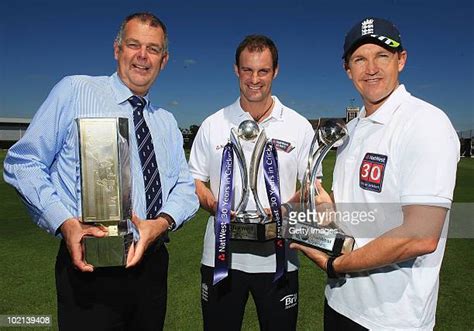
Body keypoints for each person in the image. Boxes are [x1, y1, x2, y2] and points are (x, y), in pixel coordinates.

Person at [3, 12, 199, 330]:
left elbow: (184, 187)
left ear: (164, 60)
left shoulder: (165, 122)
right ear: (116, 49)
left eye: (153, 49)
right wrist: (64, 223)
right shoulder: (74, 91)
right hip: (89, 263)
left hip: (152, 265)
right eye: (133, 44)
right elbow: (24, 163)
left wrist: (161, 224)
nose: (142, 56)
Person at [290, 17, 460, 330]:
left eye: (382, 56)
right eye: (360, 59)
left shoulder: (426, 124)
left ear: (401, 60)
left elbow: (420, 236)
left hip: (393, 319)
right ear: (347, 69)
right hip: (340, 304)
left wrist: (336, 265)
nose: (371, 69)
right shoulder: (350, 131)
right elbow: (357, 210)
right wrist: (325, 208)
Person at [188, 35, 317, 330]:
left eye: (263, 71)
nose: (254, 79)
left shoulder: (298, 126)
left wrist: (285, 209)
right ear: (236, 70)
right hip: (220, 259)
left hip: (279, 260)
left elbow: (312, 186)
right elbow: (194, 180)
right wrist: (216, 207)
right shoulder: (213, 124)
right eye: (247, 70)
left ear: (276, 71)